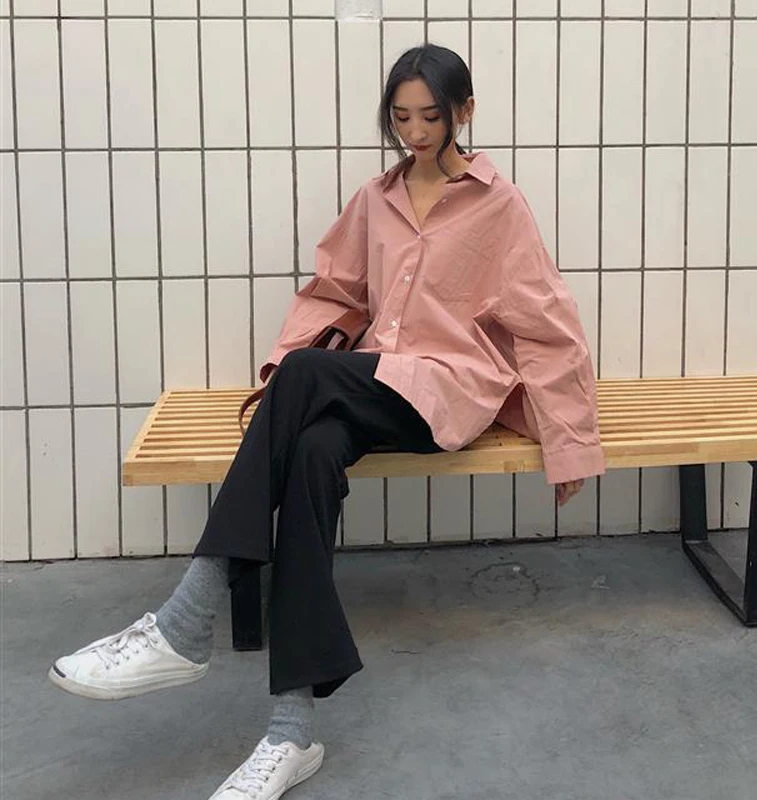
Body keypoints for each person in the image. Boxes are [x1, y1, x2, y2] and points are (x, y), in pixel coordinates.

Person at [48, 44, 605, 800]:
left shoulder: (499, 206)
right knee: (310, 451)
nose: (414, 133)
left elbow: (547, 326)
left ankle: (185, 620)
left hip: (444, 394)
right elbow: (333, 294)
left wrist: (570, 443)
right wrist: (288, 385)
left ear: (464, 112)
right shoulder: (376, 198)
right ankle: (290, 733)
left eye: (430, 117)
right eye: (400, 118)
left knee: (306, 374)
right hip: (369, 383)